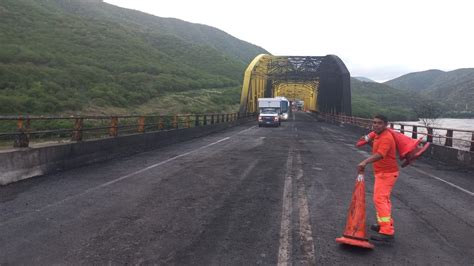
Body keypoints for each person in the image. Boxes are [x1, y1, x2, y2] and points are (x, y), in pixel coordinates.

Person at [358, 114, 399, 241]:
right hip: (382, 172)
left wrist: (364, 162)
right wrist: (368, 142)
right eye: (374, 122)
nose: (376, 125)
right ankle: (384, 224)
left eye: (379, 123)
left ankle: (387, 232)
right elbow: (377, 149)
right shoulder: (377, 135)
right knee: (383, 200)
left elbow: (381, 154)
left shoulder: (386, 137)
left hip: (386, 173)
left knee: (379, 199)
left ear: (386, 125)